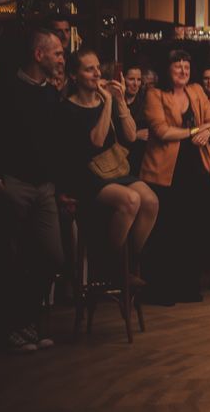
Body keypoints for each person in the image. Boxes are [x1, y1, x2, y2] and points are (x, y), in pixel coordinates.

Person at [0, 28, 65, 352]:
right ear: (38, 55)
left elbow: (54, 143)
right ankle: (12, 329)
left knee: (52, 257)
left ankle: (25, 321)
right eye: (57, 53)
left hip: (44, 188)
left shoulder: (51, 93)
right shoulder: (5, 89)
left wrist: (57, 185)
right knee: (10, 259)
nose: (61, 59)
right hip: (13, 184)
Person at [58, 50, 158, 285]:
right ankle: (108, 267)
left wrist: (120, 100)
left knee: (151, 201)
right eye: (88, 69)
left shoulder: (109, 99)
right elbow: (97, 141)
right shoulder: (68, 108)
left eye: (97, 68)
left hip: (113, 168)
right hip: (85, 174)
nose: (96, 74)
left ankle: (128, 262)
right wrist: (107, 103)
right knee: (131, 200)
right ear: (74, 76)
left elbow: (131, 136)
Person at [141, 49, 210, 303]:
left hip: (196, 165)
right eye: (178, 67)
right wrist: (196, 130)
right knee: (166, 231)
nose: (184, 71)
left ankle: (188, 286)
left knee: (192, 228)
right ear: (167, 69)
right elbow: (162, 131)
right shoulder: (155, 93)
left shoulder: (196, 90)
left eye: (187, 66)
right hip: (165, 169)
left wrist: (208, 132)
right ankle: (161, 289)